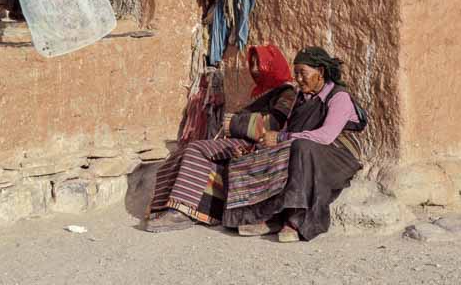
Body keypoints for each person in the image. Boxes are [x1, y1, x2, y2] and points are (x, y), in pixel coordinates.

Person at [145, 45, 297, 232]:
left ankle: (182, 212)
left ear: (274, 66)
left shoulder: (287, 93)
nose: (255, 69)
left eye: (261, 64)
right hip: (243, 141)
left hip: (259, 145)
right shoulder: (261, 93)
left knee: (196, 149)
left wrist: (233, 123)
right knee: (184, 152)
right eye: (253, 63)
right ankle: (170, 207)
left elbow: (273, 124)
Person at [222, 46, 367, 242]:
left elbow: (325, 136)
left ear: (320, 73)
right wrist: (259, 147)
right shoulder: (300, 98)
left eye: (303, 73)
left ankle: (296, 220)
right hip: (307, 151)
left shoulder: (339, 96)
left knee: (300, 148)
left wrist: (282, 139)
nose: (298, 79)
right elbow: (287, 131)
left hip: (338, 156)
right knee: (257, 155)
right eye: (296, 73)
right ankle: (268, 217)